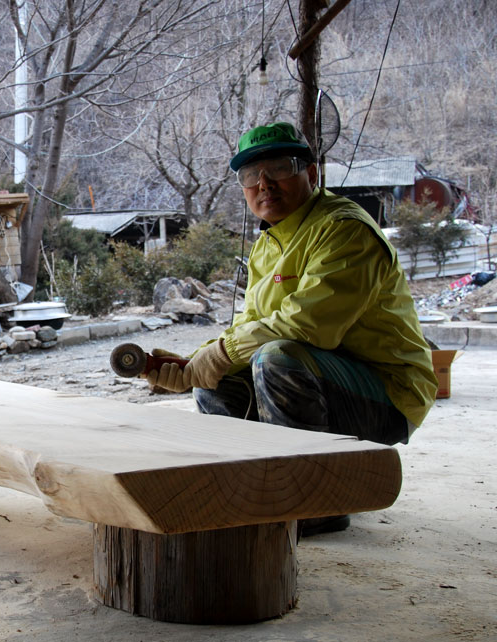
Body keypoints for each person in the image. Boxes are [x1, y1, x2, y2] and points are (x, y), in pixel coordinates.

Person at [146, 122, 437, 536]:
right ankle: (256, 492)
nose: (264, 184)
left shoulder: (344, 229)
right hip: (328, 379)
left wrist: (221, 354)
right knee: (216, 378)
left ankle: (313, 502)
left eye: (279, 168)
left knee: (276, 358)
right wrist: (196, 363)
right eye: (250, 176)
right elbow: (249, 326)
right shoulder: (269, 242)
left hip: (387, 395)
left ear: (312, 174)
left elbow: (309, 325)